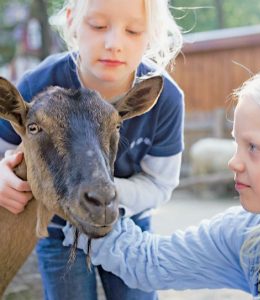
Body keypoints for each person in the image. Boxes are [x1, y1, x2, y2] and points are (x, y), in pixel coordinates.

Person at [64, 59, 260, 299]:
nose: (233, 162)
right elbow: (149, 262)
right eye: (236, 143)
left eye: (253, 146)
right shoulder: (253, 232)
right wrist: (78, 192)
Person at [0, 0, 184, 299]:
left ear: (151, 35)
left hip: (127, 218)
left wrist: (107, 192)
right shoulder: (37, 83)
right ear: (72, 22)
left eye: (134, 30)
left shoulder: (165, 100)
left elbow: (161, 184)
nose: (113, 43)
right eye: (98, 26)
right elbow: (4, 151)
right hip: (58, 225)